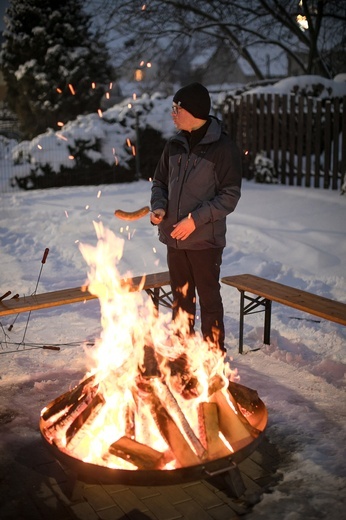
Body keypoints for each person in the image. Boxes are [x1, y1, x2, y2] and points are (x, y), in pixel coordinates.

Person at [150, 82, 242, 353]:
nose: (173, 113)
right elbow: (159, 182)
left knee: (209, 301)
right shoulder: (174, 145)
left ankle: (213, 360)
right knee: (180, 300)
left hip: (204, 241)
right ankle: (181, 354)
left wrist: (195, 220)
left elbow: (229, 196)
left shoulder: (223, 148)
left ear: (194, 111)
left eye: (177, 108)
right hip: (175, 240)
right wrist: (159, 207)